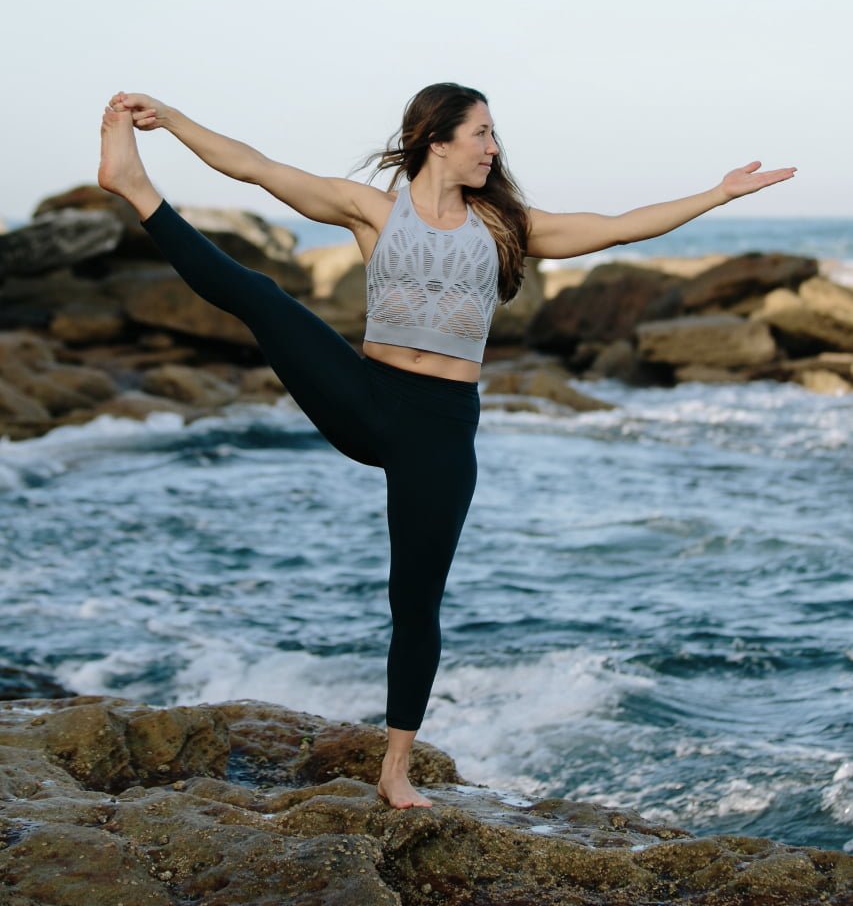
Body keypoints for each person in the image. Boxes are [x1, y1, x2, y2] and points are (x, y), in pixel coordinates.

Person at [98, 81, 796, 808]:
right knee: (262, 296)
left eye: (494, 136)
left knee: (416, 601)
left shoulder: (505, 229)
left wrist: (714, 195)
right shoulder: (372, 210)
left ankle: (394, 770)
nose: (493, 148)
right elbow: (256, 167)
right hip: (367, 398)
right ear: (437, 138)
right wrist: (174, 121)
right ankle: (135, 189)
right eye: (481, 133)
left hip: (440, 429)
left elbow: (619, 226)